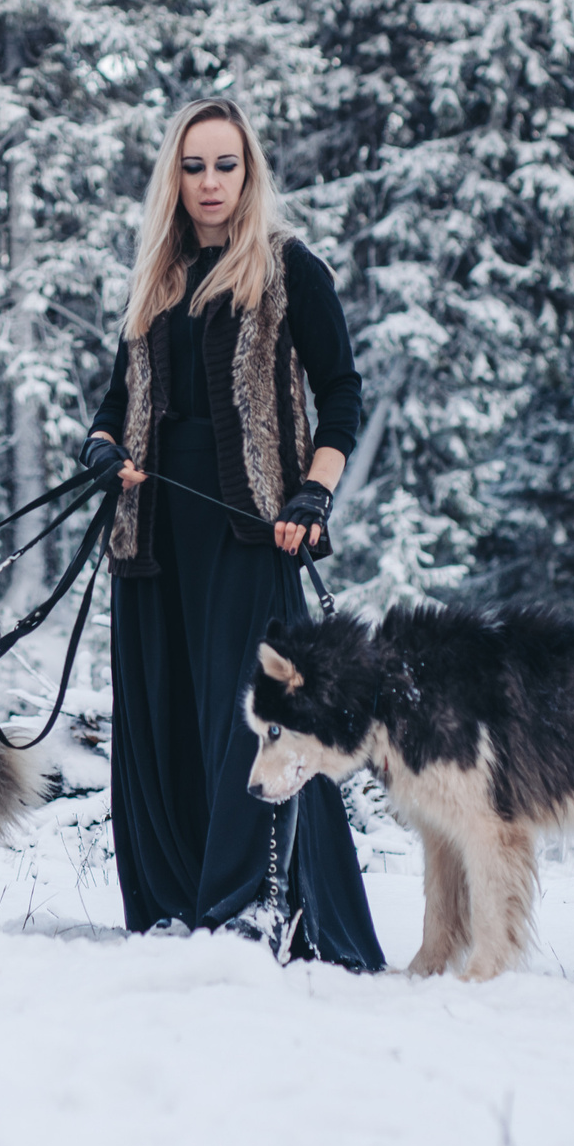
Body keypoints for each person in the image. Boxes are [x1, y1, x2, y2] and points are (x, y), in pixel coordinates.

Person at [79, 96, 385, 969]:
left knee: (246, 722)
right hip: (150, 536)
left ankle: (259, 908)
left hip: (252, 534)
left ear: (249, 173)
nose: (210, 182)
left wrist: (313, 497)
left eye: (227, 165)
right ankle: (177, 908)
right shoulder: (156, 277)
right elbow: (112, 407)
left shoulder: (288, 269)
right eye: (194, 165)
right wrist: (103, 452)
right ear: (172, 176)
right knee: (164, 715)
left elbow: (343, 393)